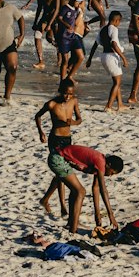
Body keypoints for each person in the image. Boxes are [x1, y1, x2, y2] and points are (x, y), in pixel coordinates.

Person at [45, 144, 124, 235]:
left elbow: (96, 188)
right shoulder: (100, 162)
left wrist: (97, 215)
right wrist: (111, 215)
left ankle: (71, 224)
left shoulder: (101, 163)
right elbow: (103, 190)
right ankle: (73, 230)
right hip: (57, 159)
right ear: (108, 165)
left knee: (75, 191)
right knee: (80, 191)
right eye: (112, 173)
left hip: (60, 159)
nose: (110, 175)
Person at [35, 75, 83, 217]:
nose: (67, 96)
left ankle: (46, 200)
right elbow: (37, 116)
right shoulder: (51, 104)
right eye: (65, 93)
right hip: (55, 139)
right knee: (60, 173)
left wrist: (73, 123)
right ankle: (62, 205)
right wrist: (41, 133)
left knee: (64, 171)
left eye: (70, 93)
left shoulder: (73, 101)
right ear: (59, 91)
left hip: (67, 139)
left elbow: (79, 119)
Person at [24, 0, 65, 70]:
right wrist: (35, 22)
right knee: (38, 35)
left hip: (55, 18)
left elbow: (57, 9)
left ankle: (61, 61)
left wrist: (49, 24)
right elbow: (39, 8)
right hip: (45, 17)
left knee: (55, 39)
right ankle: (41, 61)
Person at [48, 0, 86, 77]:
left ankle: (68, 73)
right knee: (63, 55)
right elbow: (56, 7)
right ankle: (63, 73)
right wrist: (51, 24)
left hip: (72, 25)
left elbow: (78, 9)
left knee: (78, 54)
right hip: (63, 24)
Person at [98, 11, 128, 111]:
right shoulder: (114, 29)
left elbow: (95, 44)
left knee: (116, 82)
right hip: (111, 57)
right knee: (117, 83)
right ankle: (108, 106)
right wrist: (123, 57)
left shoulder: (102, 29)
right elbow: (114, 44)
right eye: (119, 21)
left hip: (103, 56)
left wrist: (89, 59)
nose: (119, 24)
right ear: (116, 20)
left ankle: (120, 105)